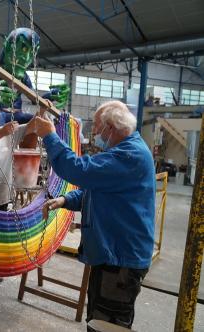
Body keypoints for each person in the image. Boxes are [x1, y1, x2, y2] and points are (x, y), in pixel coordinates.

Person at [36, 100, 155, 330]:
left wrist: (50, 136)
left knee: (107, 324)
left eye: (99, 128)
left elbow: (78, 170)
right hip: (112, 256)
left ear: (112, 127)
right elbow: (99, 191)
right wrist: (66, 200)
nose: (96, 134)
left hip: (120, 260)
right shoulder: (125, 152)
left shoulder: (130, 156)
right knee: (98, 318)